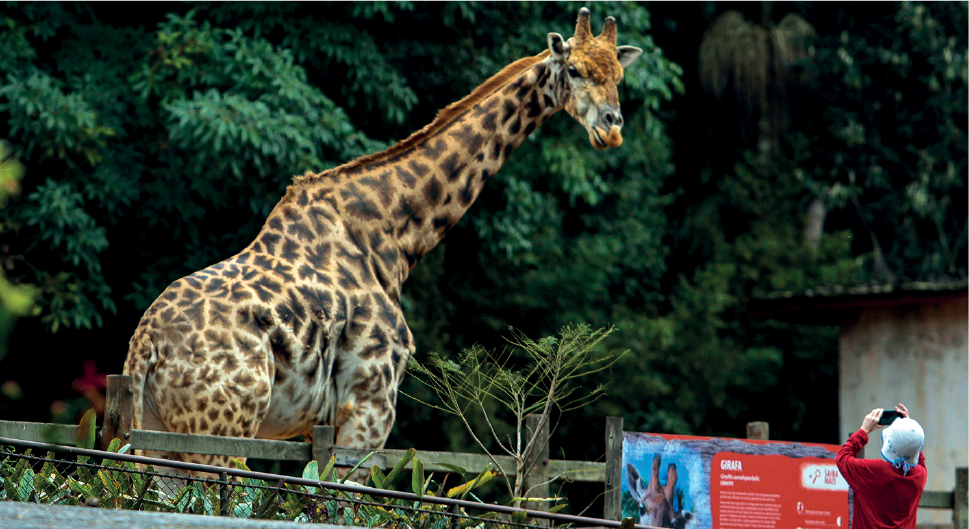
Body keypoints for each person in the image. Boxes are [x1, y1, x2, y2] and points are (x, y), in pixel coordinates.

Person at [836, 403, 927, 529]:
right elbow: (918, 456)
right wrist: (909, 429)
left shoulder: (873, 471)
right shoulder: (919, 476)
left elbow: (842, 458)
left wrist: (864, 431)